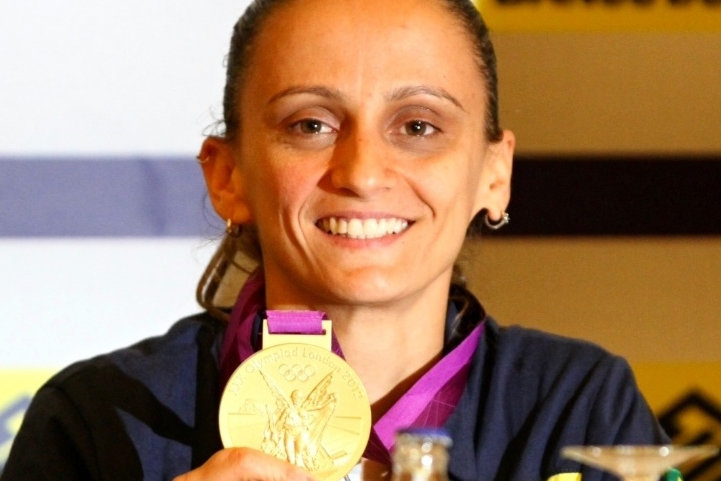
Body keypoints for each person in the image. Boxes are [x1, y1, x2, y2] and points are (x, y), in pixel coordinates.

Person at [2, 0, 669, 480]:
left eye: (418, 126)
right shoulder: (96, 419)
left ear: (494, 175)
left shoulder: (581, 405)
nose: (362, 172)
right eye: (310, 125)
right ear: (228, 176)